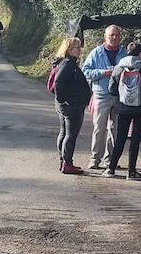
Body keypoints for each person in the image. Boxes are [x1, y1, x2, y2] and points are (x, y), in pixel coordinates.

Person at [106, 43, 141, 179]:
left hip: (123, 107)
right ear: (140, 54)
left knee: (121, 137)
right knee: (135, 139)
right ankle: (131, 172)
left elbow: (111, 89)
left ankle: (110, 169)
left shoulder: (118, 67)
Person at [81, 24, 125, 169]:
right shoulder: (96, 53)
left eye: (117, 35)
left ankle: (111, 160)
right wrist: (102, 73)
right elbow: (85, 71)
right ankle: (95, 159)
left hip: (119, 96)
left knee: (115, 130)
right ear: (105, 37)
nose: (114, 37)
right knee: (99, 129)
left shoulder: (124, 53)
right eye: (111, 35)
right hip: (102, 95)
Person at [51, 37, 91, 175]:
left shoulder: (65, 63)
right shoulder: (68, 64)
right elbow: (59, 82)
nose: (80, 50)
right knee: (70, 134)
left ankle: (64, 161)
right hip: (72, 105)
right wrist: (63, 100)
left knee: (64, 133)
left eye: (80, 47)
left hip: (68, 104)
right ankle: (67, 163)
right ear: (69, 49)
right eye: (77, 48)